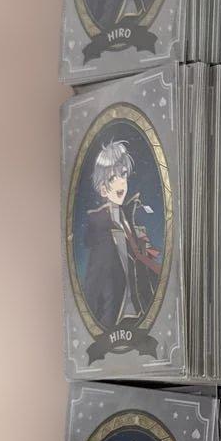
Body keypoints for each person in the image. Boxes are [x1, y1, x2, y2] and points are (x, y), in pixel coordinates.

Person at [82, 139, 162, 329]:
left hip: (140, 312)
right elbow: (94, 280)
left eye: (123, 174)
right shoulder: (100, 226)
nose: (120, 182)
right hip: (115, 317)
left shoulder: (129, 218)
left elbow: (144, 263)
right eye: (112, 178)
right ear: (103, 188)